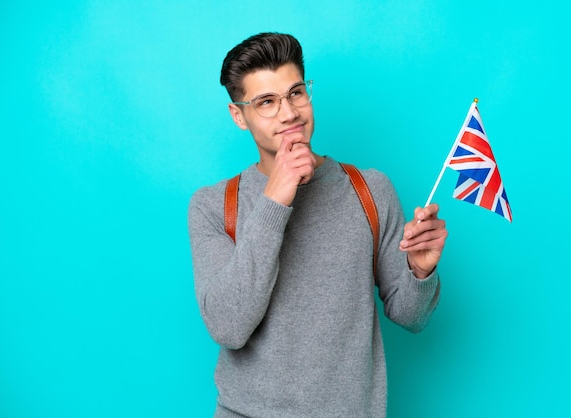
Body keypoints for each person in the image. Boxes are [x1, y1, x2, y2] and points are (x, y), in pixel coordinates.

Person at [188, 32, 448, 418]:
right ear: (239, 116)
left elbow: (410, 317)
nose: (289, 113)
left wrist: (420, 272)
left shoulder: (370, 190)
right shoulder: (213, 206)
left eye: (295, 93)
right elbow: (228, 326)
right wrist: (274, 199)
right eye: (266, 102)